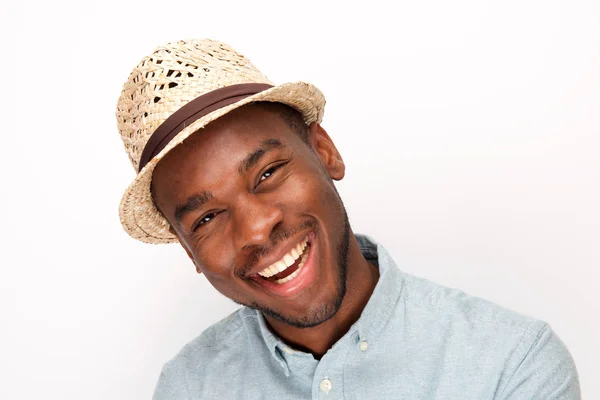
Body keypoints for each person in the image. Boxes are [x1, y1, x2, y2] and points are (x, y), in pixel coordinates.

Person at [115, 39, 580, 399]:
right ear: (187, 251)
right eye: (208, 217)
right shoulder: (188, 387)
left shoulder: (512, 363)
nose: (256, 228)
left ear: (324, 152)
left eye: (269, 172)